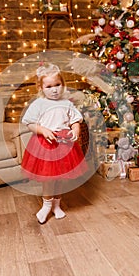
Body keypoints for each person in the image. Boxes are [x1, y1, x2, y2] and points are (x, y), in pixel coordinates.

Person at [21, 63, 88, 224]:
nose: (54, 89)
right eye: (49, 86)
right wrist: (43, 130)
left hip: (63, 144)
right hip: (45, 144)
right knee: (48, 178)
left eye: (57, 85)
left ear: (63, 85)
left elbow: (75, 120)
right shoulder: (39, 104)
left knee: (60, 178)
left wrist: (76, 130)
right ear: (41, 87)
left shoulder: (67, 103)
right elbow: (29, 123)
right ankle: (46, 206)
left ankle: (57, 205)